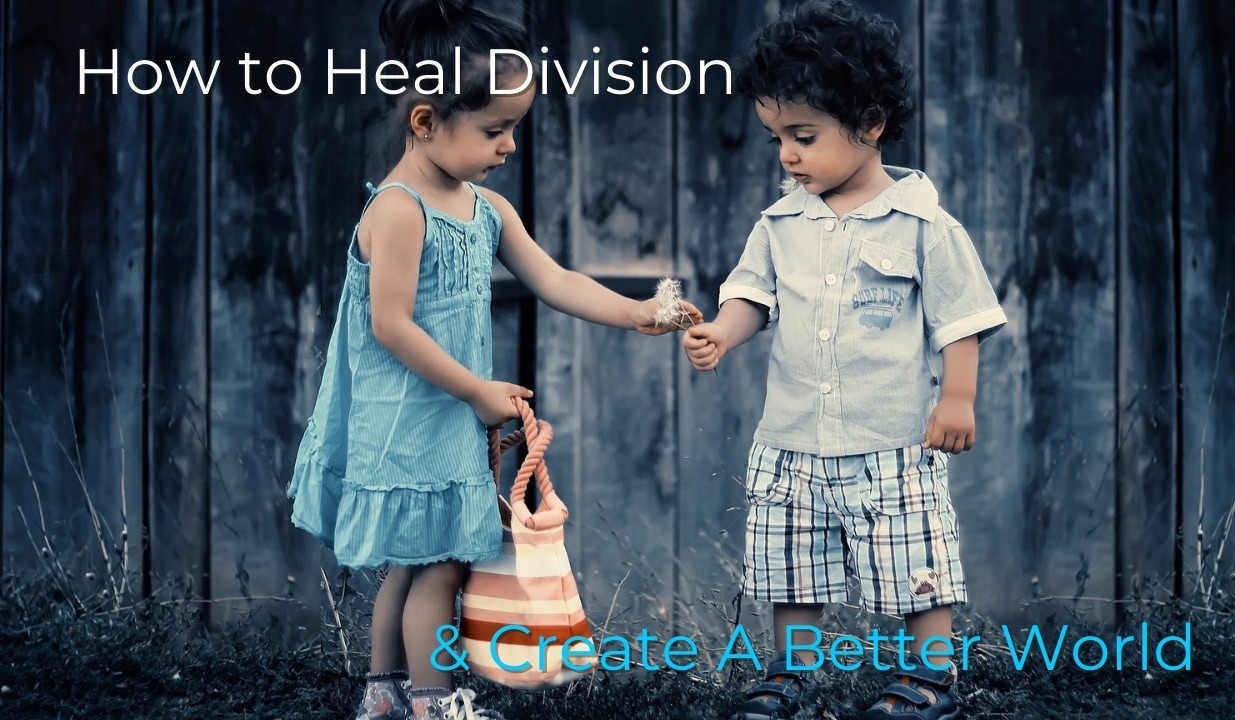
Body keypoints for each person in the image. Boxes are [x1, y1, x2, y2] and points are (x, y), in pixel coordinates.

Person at [288, 2, 701, 719]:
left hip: (445, 414)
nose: (509, 146)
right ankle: (434, 702)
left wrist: (637, 312)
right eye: (495, 129)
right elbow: (389, 325)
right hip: (408, 418)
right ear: (425, 121)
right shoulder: (398, 209)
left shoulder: (486, 210)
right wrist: (477, 390)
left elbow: (556, 278)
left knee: (414, 563)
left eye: (514, 126)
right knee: (442, 564)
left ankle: (383, 698)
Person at [683, 2, 1005, 719]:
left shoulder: (925, 224)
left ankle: (932, 679)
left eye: (803, 136)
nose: (787, 157)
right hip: (794, 439)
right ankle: (794, 676)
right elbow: (751, 297)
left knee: (915, 563)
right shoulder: (780, 223)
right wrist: (723, 334)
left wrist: (957, 398)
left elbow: (963, 319)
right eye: (776, 139)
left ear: (869, 124)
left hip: (891, 442)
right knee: (793, 567)